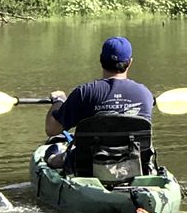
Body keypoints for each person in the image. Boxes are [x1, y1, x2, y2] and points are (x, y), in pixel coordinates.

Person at [44, 36, 154, 168]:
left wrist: (58, 102)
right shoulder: (145, 94)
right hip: (134, 164)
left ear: (101, 60)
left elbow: (52, 130)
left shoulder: (84, 93)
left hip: (88, 166)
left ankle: (53, 158)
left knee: (51, 155)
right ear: (130, 62)